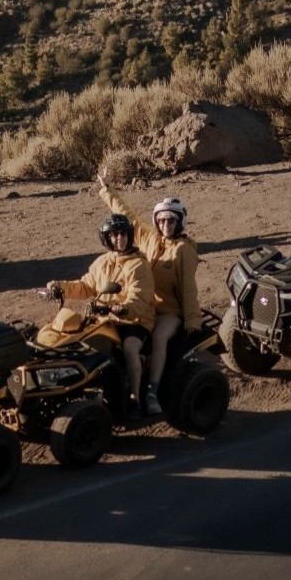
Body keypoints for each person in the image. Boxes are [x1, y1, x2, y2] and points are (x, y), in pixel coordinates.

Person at [96, 175, 201, 416]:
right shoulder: (150, 239)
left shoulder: (184, 250)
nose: (165, 225)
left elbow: (189, 288)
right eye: (161, 220)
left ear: (179, 222)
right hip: (144, 306)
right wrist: (107, 191)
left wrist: (192, 320)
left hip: (169, 310)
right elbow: (128, 216)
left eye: (171, 221)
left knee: (158, 339)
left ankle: (152, 391)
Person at [47, 215, 156, 420]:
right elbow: (85, 286)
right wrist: (60, 287)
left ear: (130, 235)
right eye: (114, 235)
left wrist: (123, 309)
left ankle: (135, 399)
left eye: (123, 234)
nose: (119, 239)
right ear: (106, 238)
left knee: (131, 350)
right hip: (105, 319)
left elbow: (140, 299)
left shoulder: (138, 265)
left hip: (135, 321)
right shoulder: (102, 262)